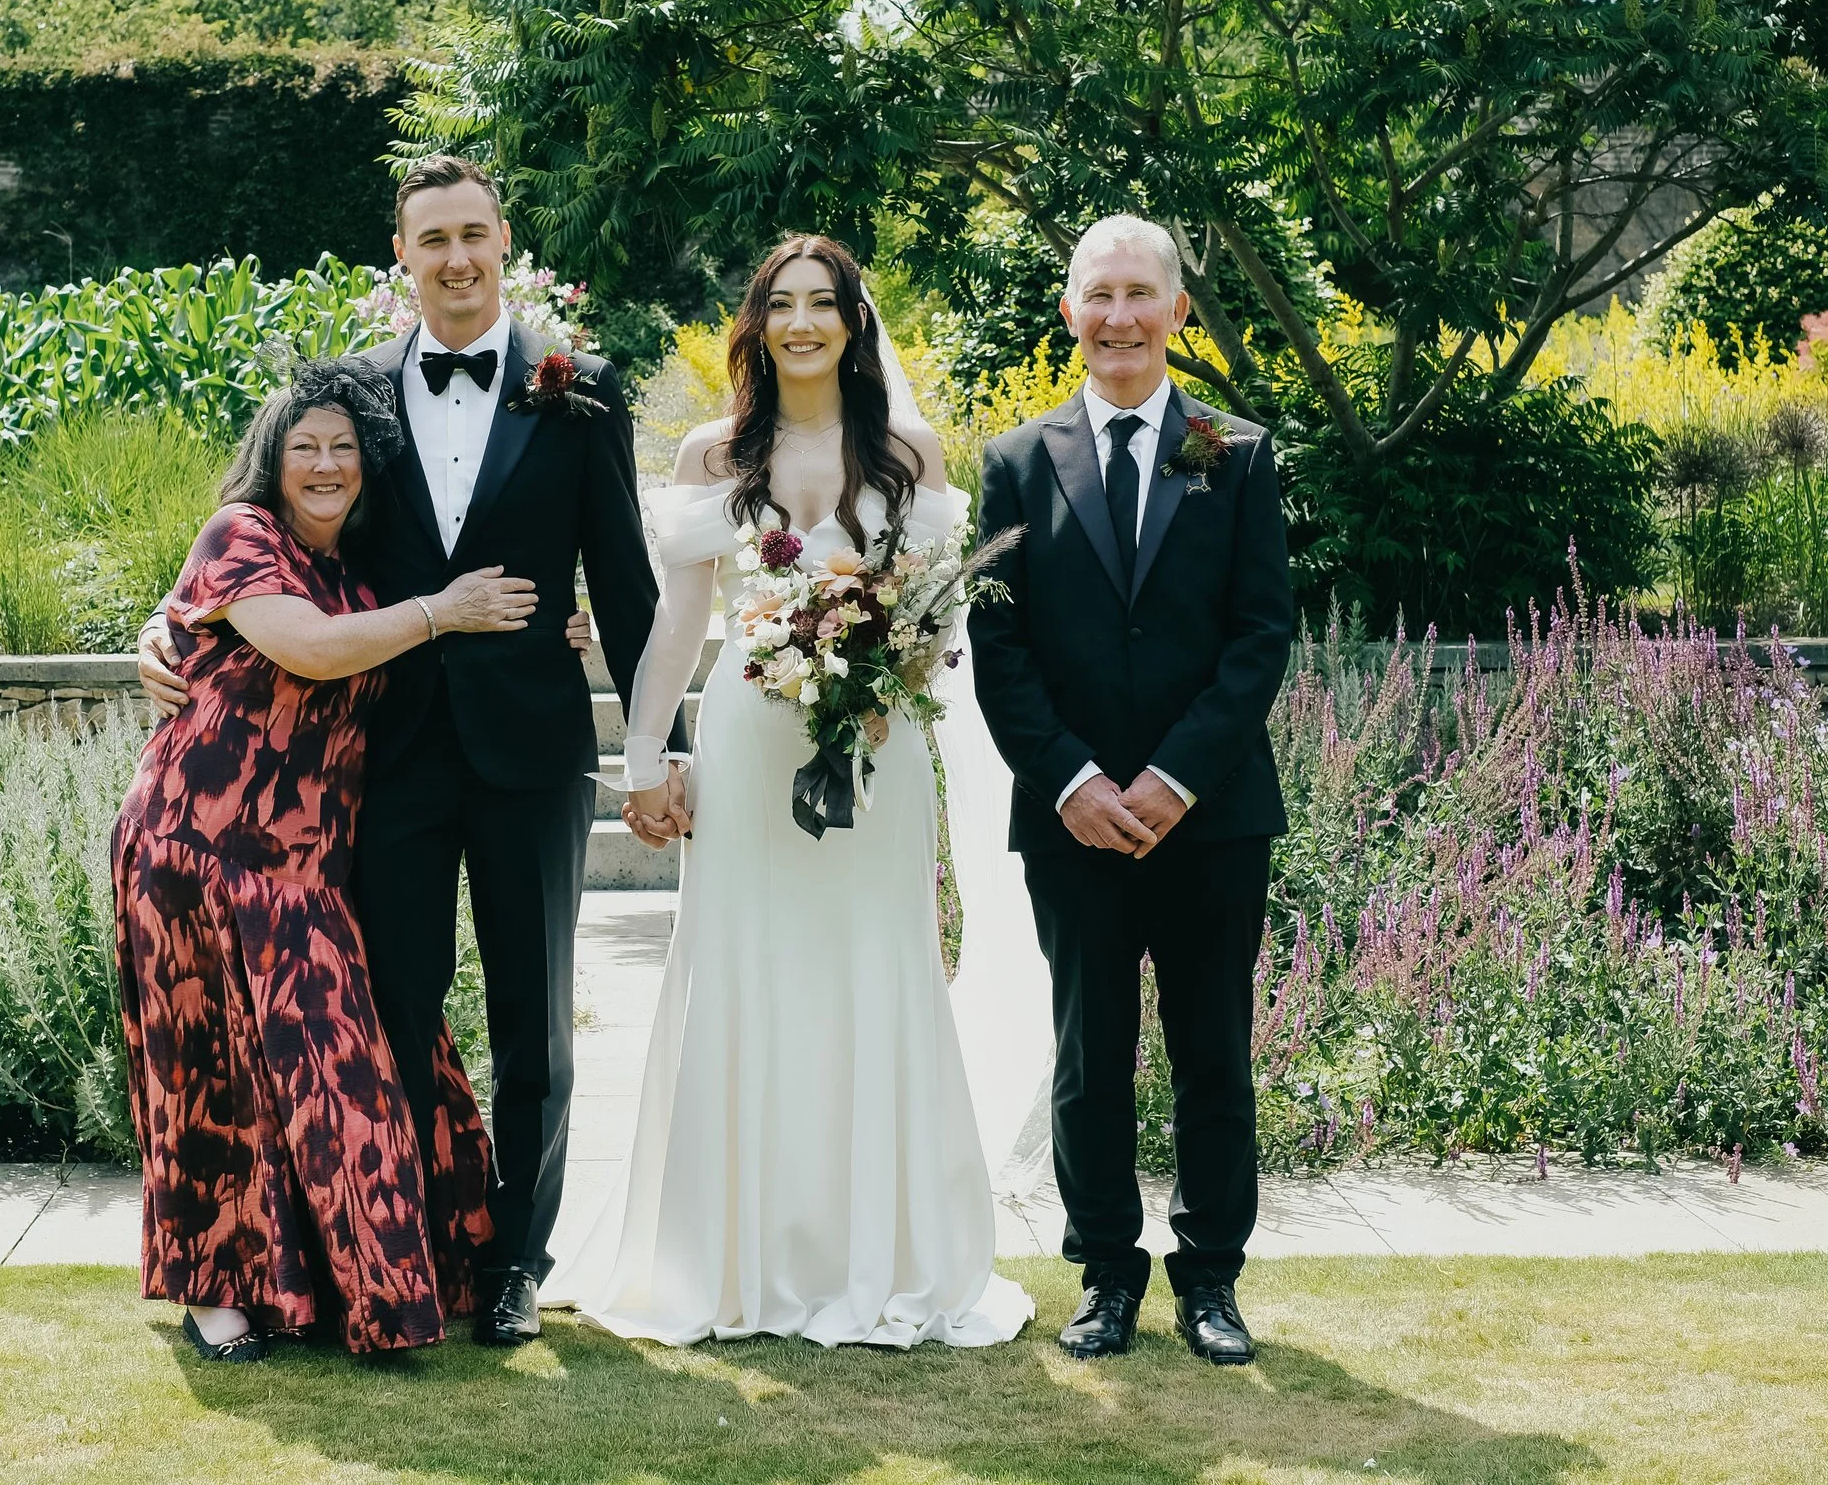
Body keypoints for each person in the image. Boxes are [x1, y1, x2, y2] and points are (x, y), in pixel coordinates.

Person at [138, 156, 668, 1346]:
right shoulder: (359, 395)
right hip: (383, 760)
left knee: (535, 1018)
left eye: (474, 234)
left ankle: (519, 1261)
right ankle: (405, 1244)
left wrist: (652, 745)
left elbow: (626, 584)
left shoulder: (578, 389)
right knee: (391, 1009)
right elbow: (266, 525)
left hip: (532, 750)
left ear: (505, 240)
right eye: (432, 240)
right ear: (404, 255)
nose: (456, 258)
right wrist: (158, 624)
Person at [544, 234, 1035, 1348]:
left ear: (855, 323)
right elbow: (678, 620)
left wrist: (891, 677)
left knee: (875, 970)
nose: (804, 322)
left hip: (879, 751)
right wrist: (646, 751)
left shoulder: (910, 453)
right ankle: (741, 1256)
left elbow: (943, 612)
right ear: (756, 325)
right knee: (747, 973)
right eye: (783, 305)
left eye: (825, 303)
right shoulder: (708, 458)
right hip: (753, 750)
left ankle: (881, 1252)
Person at [114, 360, 541, 1360]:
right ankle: (214, 1291)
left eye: (343, 447)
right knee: (203, 1078)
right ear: (273, 455)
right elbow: (304, 647)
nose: (324, 462)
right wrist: (444, 608)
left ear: (368, 464)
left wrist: (550, 625)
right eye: (304, 444)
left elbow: (362, 639)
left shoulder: (361, 571)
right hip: (194, 848)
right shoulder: (242, 535)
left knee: (336, 1072)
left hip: (304, 871)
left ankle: (366, 1288)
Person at [967, 214, 1295, 1364]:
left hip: (1209, 819)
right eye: (1098, 294)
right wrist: (1069, 780)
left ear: (1175, 310)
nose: (1119, 316)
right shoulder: (1014, 461)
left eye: (1139, 294)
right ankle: (1104, 1273)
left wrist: (1170, 779)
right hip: (1072, 822)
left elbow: (1259, 636)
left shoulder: (1233, 451)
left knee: (1212, 1049)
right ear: (1070, 309)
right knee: (1089, 1052)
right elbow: (995, 644)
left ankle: (1211, 1278)